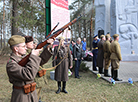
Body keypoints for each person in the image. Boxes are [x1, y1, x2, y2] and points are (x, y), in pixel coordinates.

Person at [6, 35, 54, 102]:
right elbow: (29, 75)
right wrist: (33, 56)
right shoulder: (11, 64)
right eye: (23, 46)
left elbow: (40, 62)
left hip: (32, 94)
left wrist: (48, 48)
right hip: (21, 96)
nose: (26, 48)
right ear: (16, 49)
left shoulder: (24, 57)